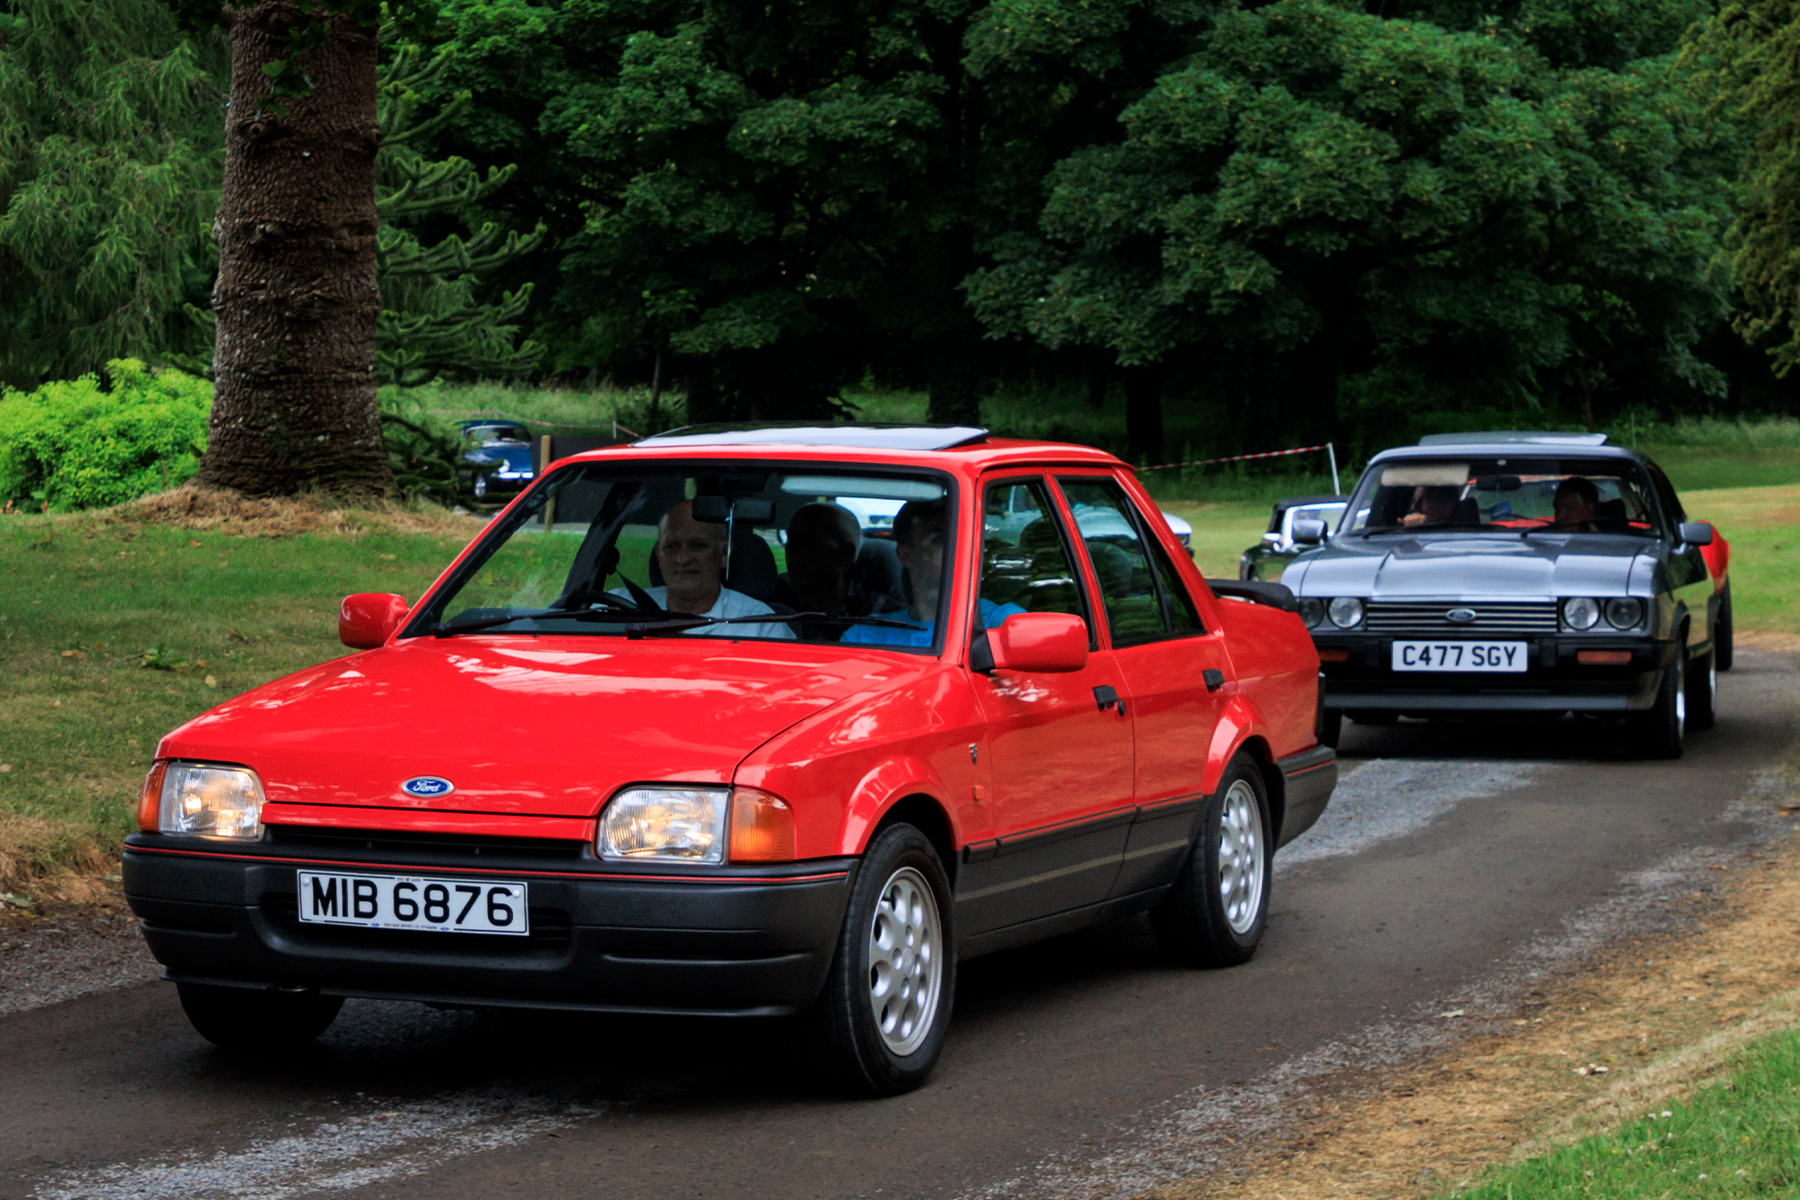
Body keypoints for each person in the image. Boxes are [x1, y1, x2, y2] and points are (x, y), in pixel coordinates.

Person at [842, 500, 1025, 648]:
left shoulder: (1001, 625)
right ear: (905, 556)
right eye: (940, 539)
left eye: (963, 536)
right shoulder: (865, 636)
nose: (958, 546)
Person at [614, 500, 794, 639]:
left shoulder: (761, 627)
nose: (682, 559)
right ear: (658, 555)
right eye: (671, 547)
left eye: (697, 546)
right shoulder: (618, 608)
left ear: (724, 554)